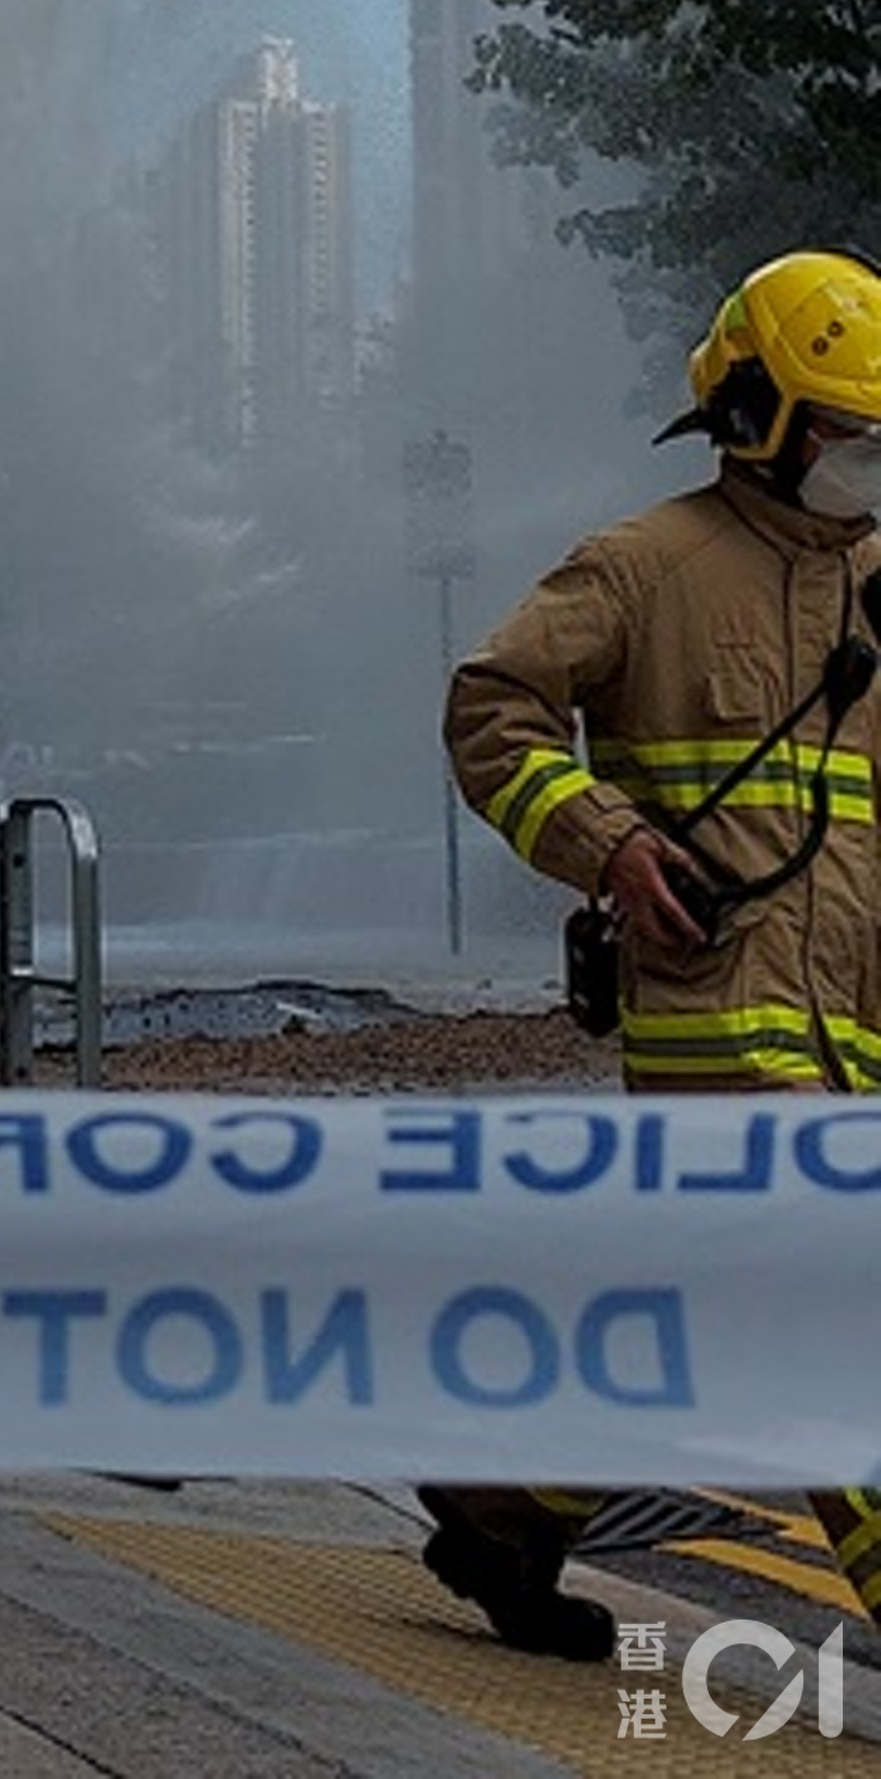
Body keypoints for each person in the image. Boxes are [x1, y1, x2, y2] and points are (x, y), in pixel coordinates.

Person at [418, 247, 881, 1660]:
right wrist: (607, 841)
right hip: (723, 1036)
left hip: (851, 1037)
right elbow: (489, 709)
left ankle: (502, 1504)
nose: (863, 462)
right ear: (754, 415)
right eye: (842, 433)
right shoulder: (644, 565)